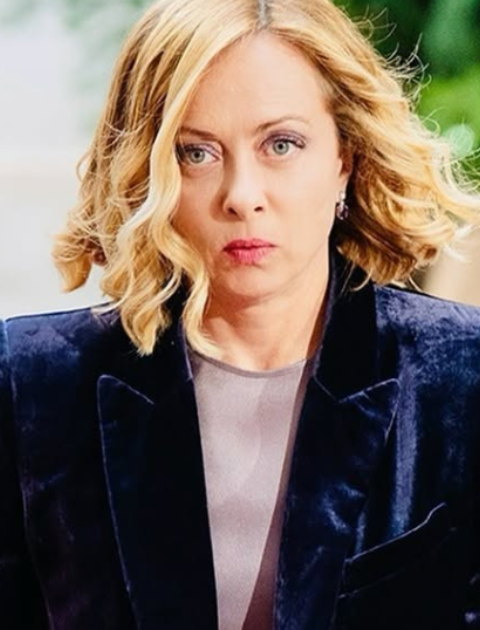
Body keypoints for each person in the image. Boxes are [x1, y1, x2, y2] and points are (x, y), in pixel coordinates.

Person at [1, 0, 480, 628]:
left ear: (346, 158)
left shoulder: (460, 376)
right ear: (147, 171)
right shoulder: (32, 385)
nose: (242, 196)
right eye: (196, 153)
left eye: (281, 144)